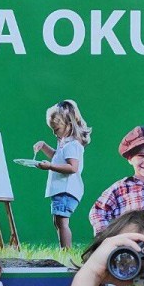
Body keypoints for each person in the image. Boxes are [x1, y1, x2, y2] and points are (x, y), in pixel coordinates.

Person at [34, 99, 91, 249]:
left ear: (69, 124)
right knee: (58, 221)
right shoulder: (64, 143)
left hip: (66, 190)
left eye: (57, 129)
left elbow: (73, 167)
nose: (54, 133)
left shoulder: (72, 145)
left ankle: (66, 250)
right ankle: (64, 249)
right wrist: (44, 146)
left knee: (62, 222)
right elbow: (56, 156)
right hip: (62, 189)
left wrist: (50, 166)